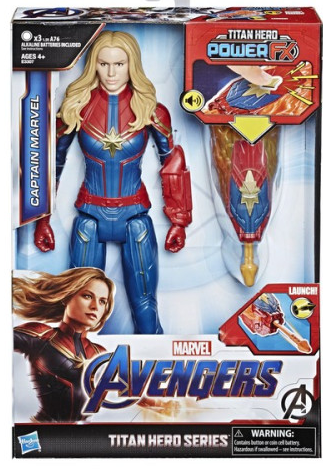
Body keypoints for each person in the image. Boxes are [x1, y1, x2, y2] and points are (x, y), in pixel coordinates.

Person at [33, 31, 192, 334]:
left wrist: (179, 221)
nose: (111, 73)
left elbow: (173, 164)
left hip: (135, 216)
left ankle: (155, 361)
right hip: (89, 216)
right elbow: (51, 163)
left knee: (145, 307)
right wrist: (41, 219)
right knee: (80, 315)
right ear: (94, 65)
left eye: (119, 64)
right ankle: (77, 364)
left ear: (132, 65)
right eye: (103, 64)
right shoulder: (76, 107)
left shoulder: (151, 110)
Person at [13, 267, 114, 422]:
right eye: (87, 296)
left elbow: (130, 388)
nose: (95, 306)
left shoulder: (100, 353)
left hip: (85, 434)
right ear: (67, 297)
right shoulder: (41, 335)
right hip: (42, 430)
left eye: (102, 301)